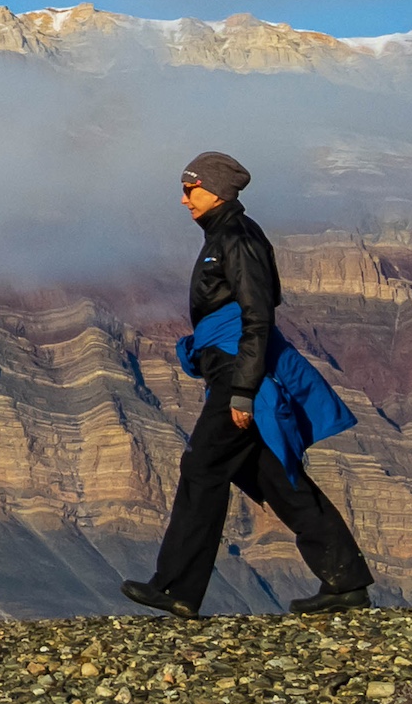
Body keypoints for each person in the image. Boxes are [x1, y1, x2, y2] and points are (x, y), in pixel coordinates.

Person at [123, 153, 375, 619]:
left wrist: (243, 391)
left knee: (202, 468)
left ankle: (176, 587)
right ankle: (346, 582)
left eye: (190, 190)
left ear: (215, 190)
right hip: (232, 369)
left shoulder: (237, 238)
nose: (183, 200)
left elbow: (258, 314)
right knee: (275, 479)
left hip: (242, 372)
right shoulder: (225, 235)